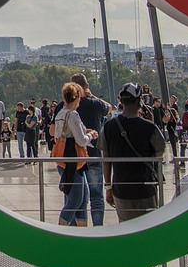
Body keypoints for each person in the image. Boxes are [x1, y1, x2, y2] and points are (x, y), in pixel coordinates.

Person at [100, 83, 165, 222]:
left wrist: (108, 187)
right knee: (148, 227)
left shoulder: (108, 127)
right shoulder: (149, 127)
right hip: (145, 188)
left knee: (125, 228)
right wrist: (151, 122)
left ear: (121, 101)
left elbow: (106, 160)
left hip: (121, 188)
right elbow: (159, 153)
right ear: (139, 101)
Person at [54, 82, 97, 226]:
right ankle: (64, 230)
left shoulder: (61, 114)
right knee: (77, 200)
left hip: (65, 160)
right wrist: (91, 136)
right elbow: (81, 140)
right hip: (73, 161)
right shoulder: (72, 115)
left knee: (82, 197)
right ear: (77, 98)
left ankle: (78, 229)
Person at [71, 73, 108, 225]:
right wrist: (92, 95)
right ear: (86, 86)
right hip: (93, 153)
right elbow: (109, 107)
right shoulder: (96, 104)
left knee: (77, 197)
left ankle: (76, 227)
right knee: (96, 196)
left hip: (73, 155)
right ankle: (98, 227)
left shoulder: (66, 106)